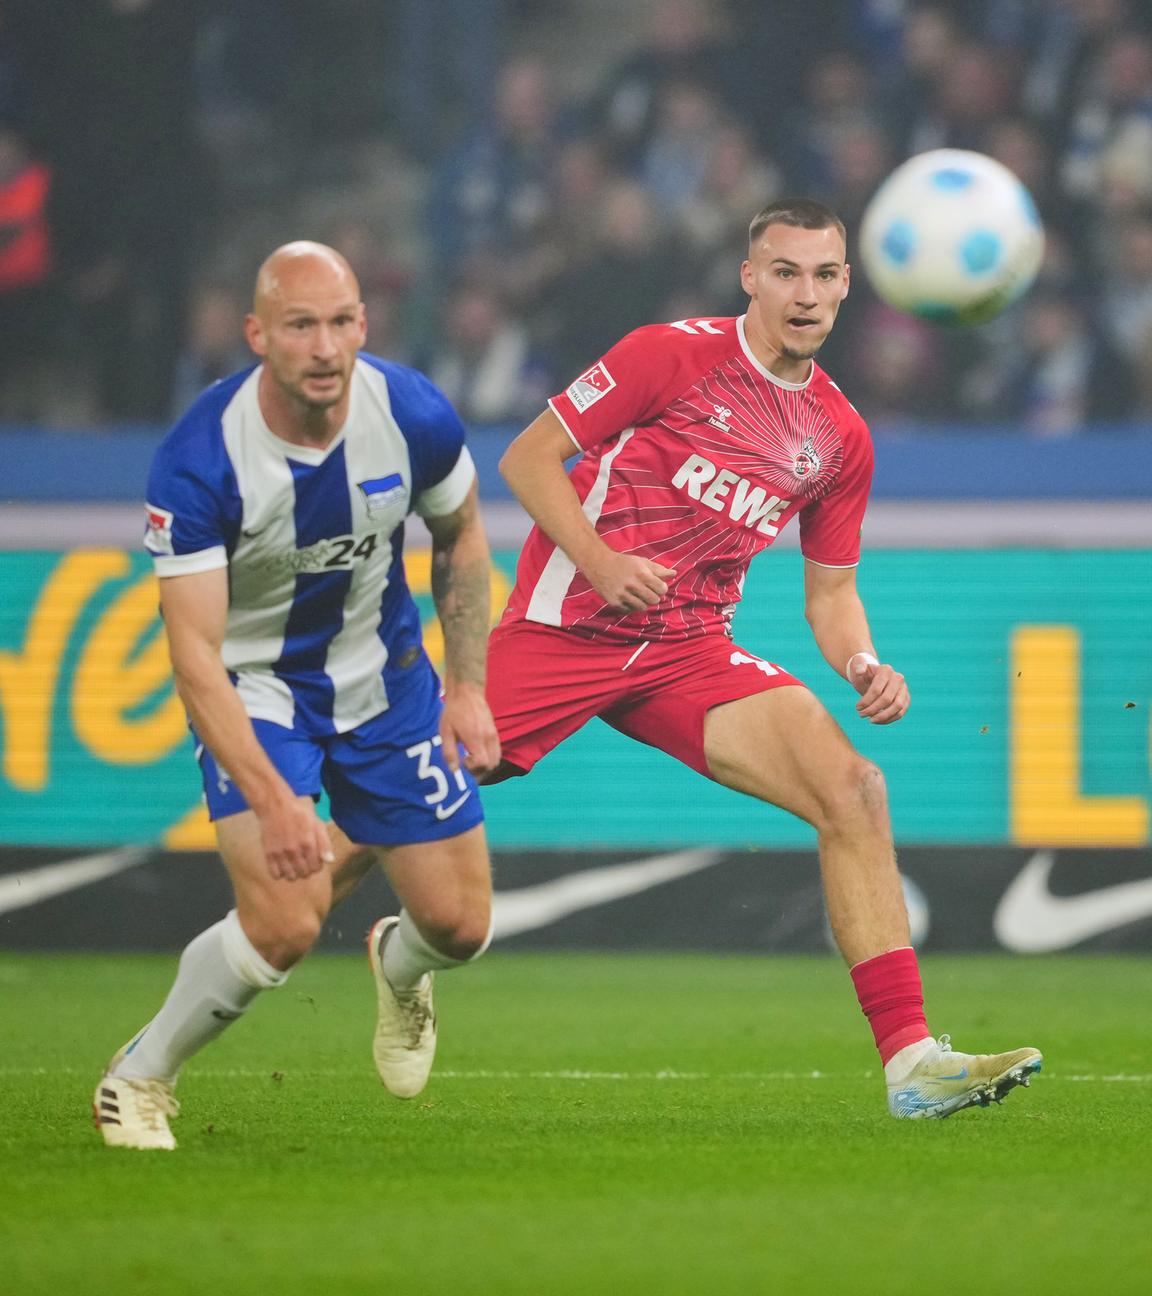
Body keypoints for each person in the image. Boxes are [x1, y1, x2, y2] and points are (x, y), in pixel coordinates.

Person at [482, 198, 1042, 1120]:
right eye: (785, 271)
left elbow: (829, 595)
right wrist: (601, 560)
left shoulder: (839, 434)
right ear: (751, 277)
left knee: (854, 791)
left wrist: (863, 664)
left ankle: (912, 1064)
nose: (805, 293)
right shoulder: (667, 354)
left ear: (849, 286)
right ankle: (394, 952)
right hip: (567, 626)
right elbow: (528, 459)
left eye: (824, 275)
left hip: (687, 649)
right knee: (423, 793)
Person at [93, 241, 500, 1150]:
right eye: (301, 325)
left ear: (365, 323)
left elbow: (463, 538)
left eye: (343, 322)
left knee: (461, 925)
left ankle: (399, 966)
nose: (326, 347)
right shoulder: (202, 459)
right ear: (257, 336)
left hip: (387, 682)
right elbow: (194, 654)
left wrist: (466, 687)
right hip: (260, 692)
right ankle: (141, 1075)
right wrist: (278, 802)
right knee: (283, 922)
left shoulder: (411, 411)